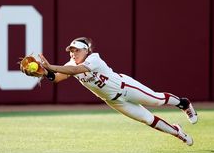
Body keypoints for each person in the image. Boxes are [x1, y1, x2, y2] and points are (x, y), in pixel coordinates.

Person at [27, 37, 198, 146]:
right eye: (71, 51)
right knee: (147, 119)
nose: (72, 54)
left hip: (125, 87)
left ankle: (184, 103)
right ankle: (177, 132)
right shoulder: (70, 64)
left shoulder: (94, 58)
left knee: (157, 100)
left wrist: (49, 66)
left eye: (76, 50)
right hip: (114, 101)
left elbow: (74, 71)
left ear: (86, 50)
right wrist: (44, 73)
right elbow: (57, 78)